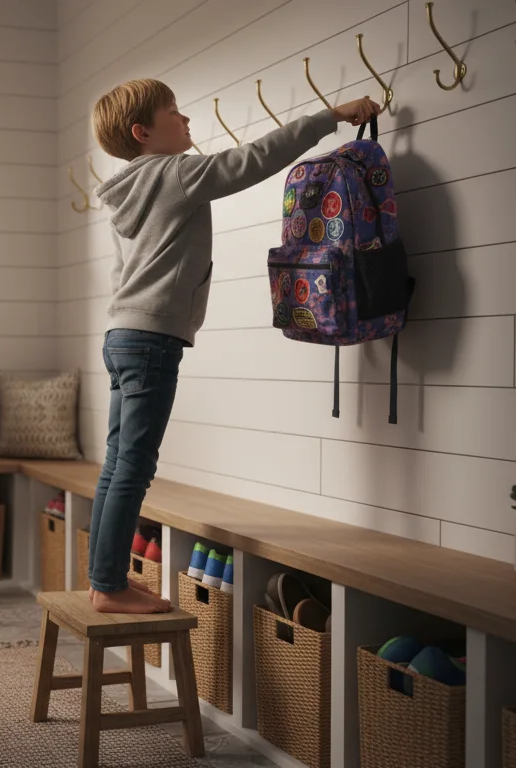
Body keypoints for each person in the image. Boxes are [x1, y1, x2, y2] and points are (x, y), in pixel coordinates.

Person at [86, 79, 381, 613]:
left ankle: (102, 579)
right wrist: (329, 116)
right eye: (175, 113)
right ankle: (108, 587)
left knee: (117, 463)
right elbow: (254, 160)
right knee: (134, 465)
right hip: (151, 339)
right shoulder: (176, 173)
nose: (188, 121)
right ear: (143, 132)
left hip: (121, 334)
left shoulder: (125, 189)